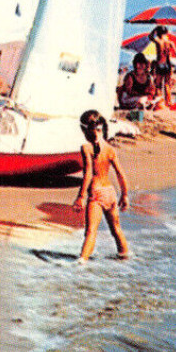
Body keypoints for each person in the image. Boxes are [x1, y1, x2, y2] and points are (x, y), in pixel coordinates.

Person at [73, 110, 131, 262]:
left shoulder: (87, 148)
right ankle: (126, 258)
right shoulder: (110, 149)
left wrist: (80, 196)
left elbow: (88, 174)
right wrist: (124, 195)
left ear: (84, 130)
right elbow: (120, 174)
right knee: (116, 230)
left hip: (97, 194)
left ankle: (81, 262)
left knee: (91, 232)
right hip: (111, 193)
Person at [142, 25, 176, 109]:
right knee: (167, 84)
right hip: (168, 64)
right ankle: (168, 103)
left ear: (158, 33)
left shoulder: (158, 41)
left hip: (160, 64)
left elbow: (150, 37)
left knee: (158, 84)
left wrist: (154, 29)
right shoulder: (169, 42)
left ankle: (158, 101)